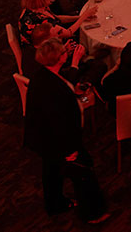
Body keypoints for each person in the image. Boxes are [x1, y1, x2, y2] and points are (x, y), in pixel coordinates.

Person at [23, 38, 110, 223]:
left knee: (51, 172)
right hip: (59, 141)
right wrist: (70, 151)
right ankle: (92, 214)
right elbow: (59, 122)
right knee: (83, 173)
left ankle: (55, 204)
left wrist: (75, 92)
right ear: (60, 58)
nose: (66, 52)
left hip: (42, 139)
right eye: (64, 52)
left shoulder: (42, 75)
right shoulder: (55, 89)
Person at [18, 0, 97, 45]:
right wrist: (84, 15)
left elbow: (56, 18)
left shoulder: (33, 8)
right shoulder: (43, 23)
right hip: (51, 51)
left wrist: (79, 17)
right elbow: (68, 33)